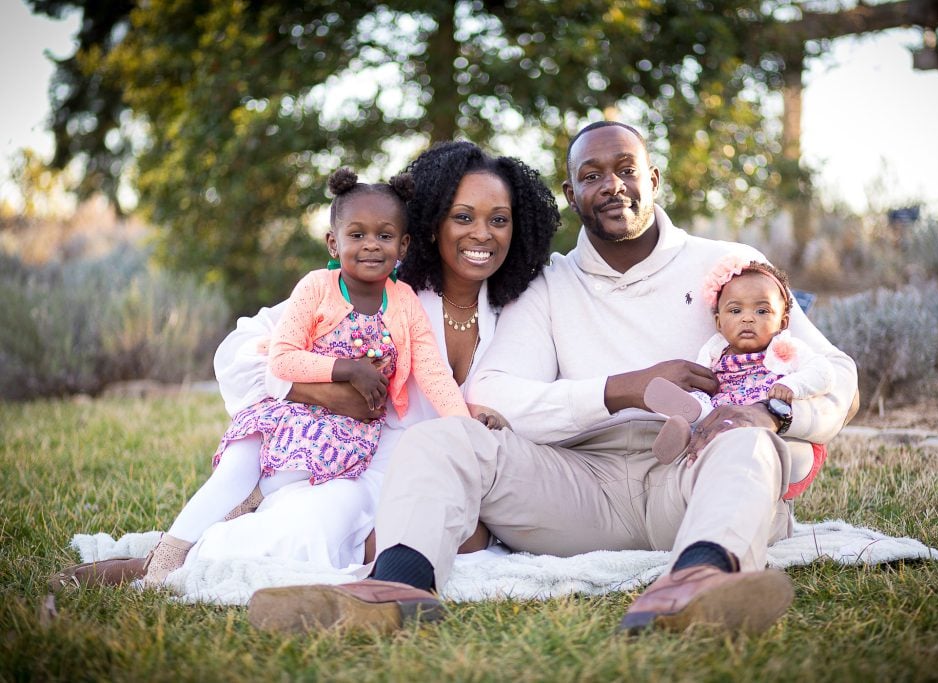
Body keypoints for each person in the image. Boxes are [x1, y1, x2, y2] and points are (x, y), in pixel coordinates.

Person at [246, 121, 858, 637]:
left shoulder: (727, 265)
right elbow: (500, 393)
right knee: (444, 438)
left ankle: (700, 583)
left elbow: (835, 375)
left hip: (693, 474)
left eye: (626, 168)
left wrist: (774, 415)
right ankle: (392, 593)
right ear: (571, 193)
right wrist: (622, 387)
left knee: (746, 444)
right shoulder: (549, 284)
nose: (611, 184)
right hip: (581, 487)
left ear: (654, 178)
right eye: (591, 175)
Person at [50, 141, 559, 589]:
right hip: (356, 462)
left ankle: (374, 550)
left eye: (499, 219)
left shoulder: (520, 306)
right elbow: (245, 355)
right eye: (462, 216)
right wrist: (329, 388)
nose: (482, 234)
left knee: (456, 537)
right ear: (430, 227)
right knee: (306, 529)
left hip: (447, 471)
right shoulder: (378, 285)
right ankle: (156, 564)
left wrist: (479, 421)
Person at [139, 168, 483, 587]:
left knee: (275, 488)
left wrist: (463, 426)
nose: (371, 245)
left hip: (344, 435)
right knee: (234, 473)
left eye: (385, 235)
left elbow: (432, 370)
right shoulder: (316, 288)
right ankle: (166, 556)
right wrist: (348, 369)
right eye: (357, 235)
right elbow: (281, 360)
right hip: (282, 415)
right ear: (333, 243)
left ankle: (211, 539)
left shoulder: (405, 302)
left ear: (404, 245)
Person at [643, 256, 835, 466]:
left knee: (732, 435)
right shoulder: (714, 351)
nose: (747, 318)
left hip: (754, 418)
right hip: (715, 412)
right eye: (735, 311)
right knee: (701, 404)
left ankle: (696, 434)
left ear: (783, 322)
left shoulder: (785, 348)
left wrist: (791, 385)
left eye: (762, 311)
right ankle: (683, 425)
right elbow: (702, 378)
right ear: (719, 322)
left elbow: (823, 372)